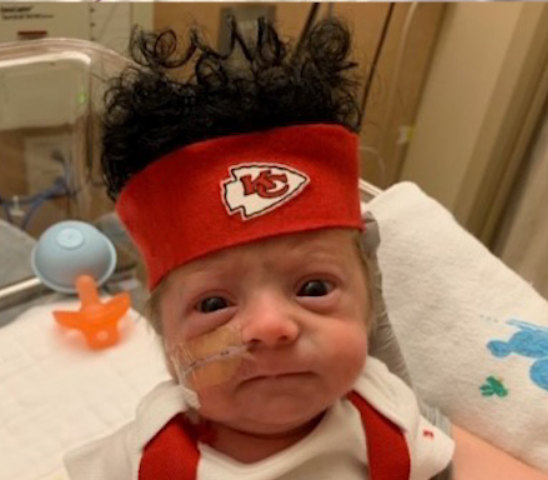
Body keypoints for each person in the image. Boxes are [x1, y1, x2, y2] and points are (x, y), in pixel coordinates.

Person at [65, 17, 548, 480]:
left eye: (314, 288)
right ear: (166, 344)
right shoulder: (145, 457)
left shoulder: (389, 414)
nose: (270, 326)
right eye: (213, 304)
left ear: (370, 313)